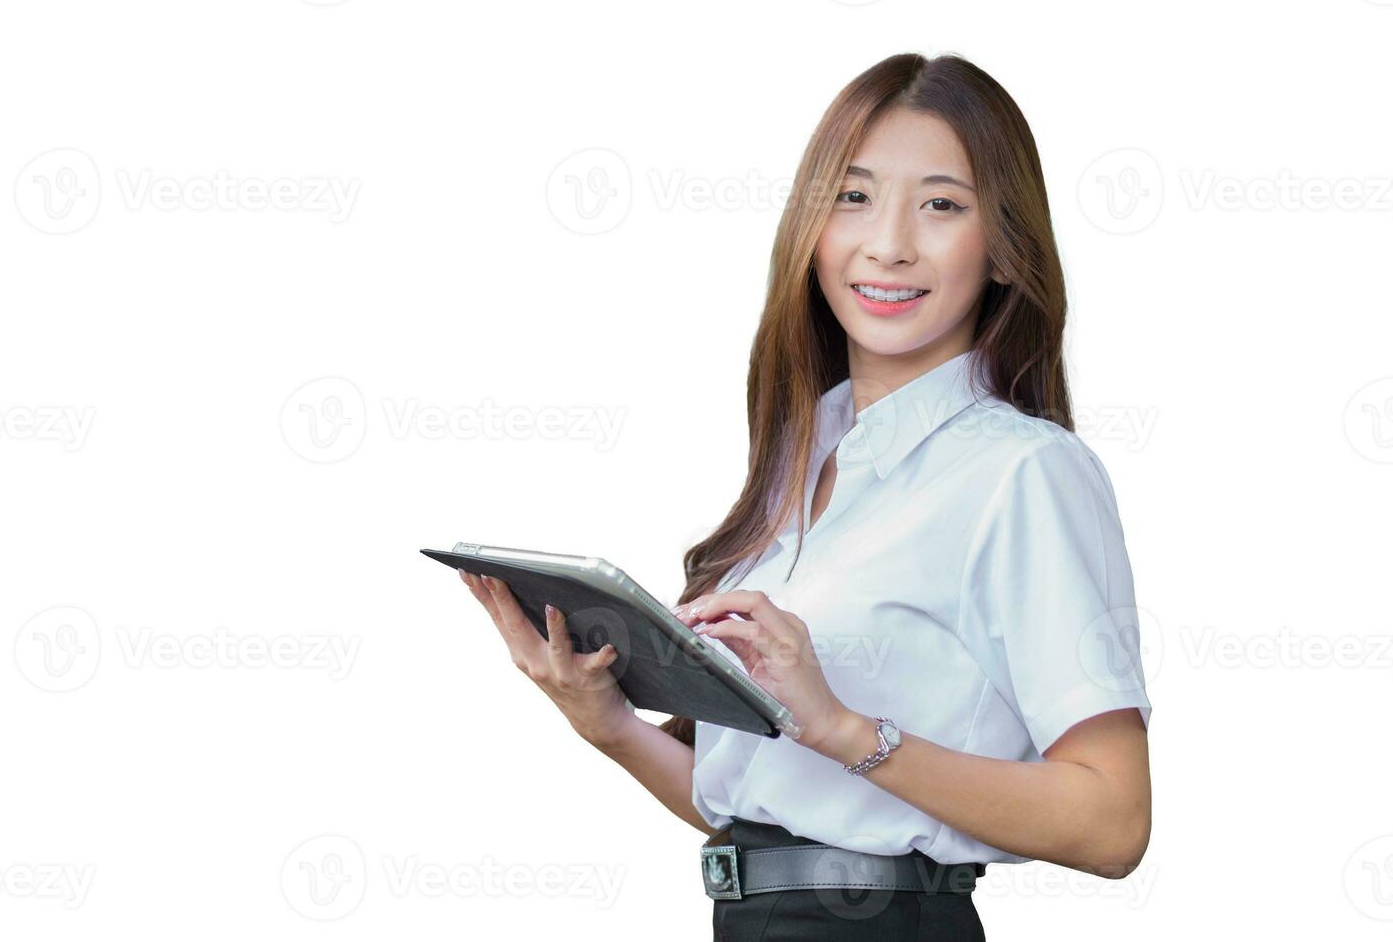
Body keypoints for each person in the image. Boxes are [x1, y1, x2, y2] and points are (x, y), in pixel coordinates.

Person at [455, 52, 1153, 941]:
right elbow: (769, 821)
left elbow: (1113, 822)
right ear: (810, 228)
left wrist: (846, 728)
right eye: (853, 196)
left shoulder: (1022, 473)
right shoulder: (802, 459)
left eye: (941, 204)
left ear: (1006, 247)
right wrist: (608, 723)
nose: (888, 241)